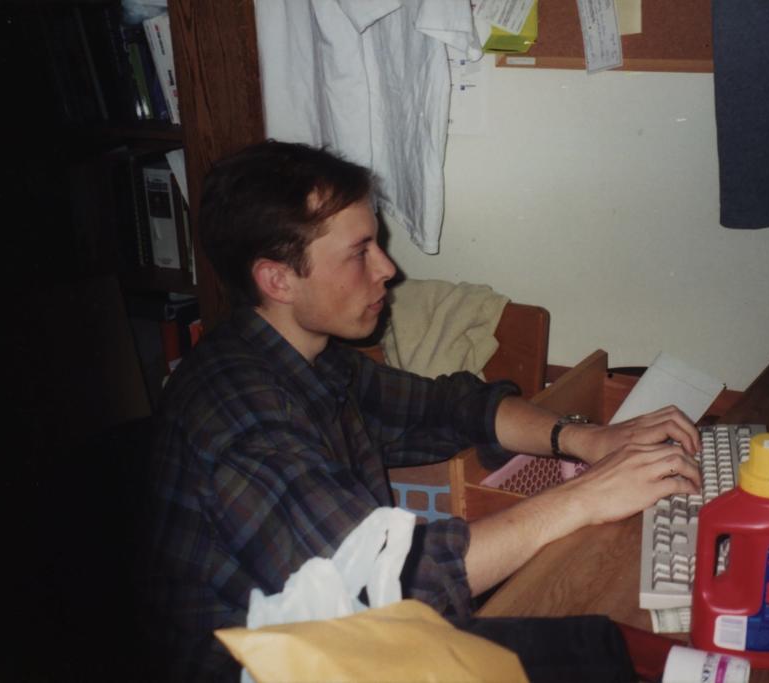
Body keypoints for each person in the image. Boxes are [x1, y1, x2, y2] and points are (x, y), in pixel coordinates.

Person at [140, 140, 702, 680]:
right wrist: (588, 496)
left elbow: (450, 408)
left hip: (347, 648)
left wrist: (585, 440)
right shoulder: (242, 419)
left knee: (602, 646)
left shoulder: (311, 361)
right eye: (360, 252)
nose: (387, 268)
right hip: (287, 669)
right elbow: (385, 585)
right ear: (278, 279)